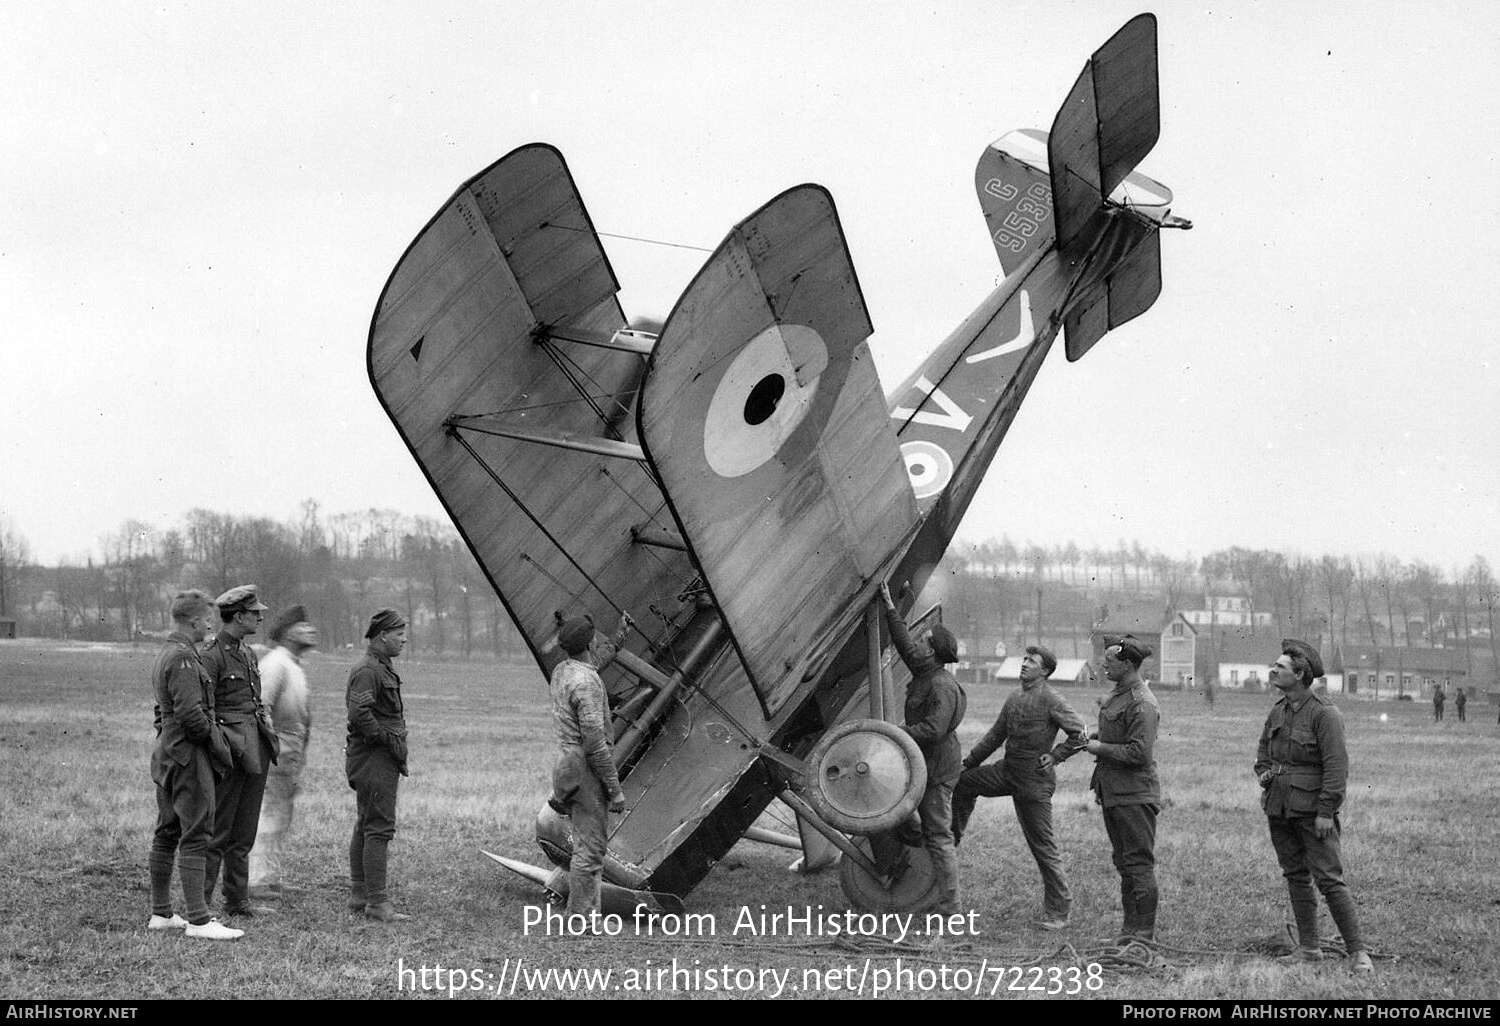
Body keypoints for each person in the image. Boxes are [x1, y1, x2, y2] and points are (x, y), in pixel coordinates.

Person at [1255, 639, 1373, 973]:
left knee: (1329, 880)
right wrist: (1264, 773)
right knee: (1295, 876)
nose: (1273, 670)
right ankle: (1309, 949)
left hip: (1312, 812)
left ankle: (1358, 953)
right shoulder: (1277, 710)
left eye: (1281, 667)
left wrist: (1325, 812)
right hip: (1279, 808)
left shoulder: (1326, 715)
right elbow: (1263, 752)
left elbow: (1337, 769)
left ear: (1300, 674)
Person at [951, 644, 1086, 929]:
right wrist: (969, 762)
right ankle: (952, 839)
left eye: (1032, 661)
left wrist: (1056, 755)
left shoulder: (1052, 699)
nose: (1024, 664)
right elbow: (995, 736)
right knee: (964, 782)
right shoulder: (1015, 697)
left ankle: (1059, 912)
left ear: (1045, 670)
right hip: (1007, 771)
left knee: (1043, 846)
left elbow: (1080, 734)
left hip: (1034, 781)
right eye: (1024, 659)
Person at [146, 590, 242, 941]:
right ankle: (199, 921)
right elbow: (191, 714)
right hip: (188, 755)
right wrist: (216, 744)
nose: (210, 624)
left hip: (169, 753)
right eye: (206, 619)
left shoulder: (168, 653)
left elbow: (163, 713)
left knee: (167, 830)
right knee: (196, 832)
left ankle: (161, 913)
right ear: (192, 621)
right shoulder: (185, 659)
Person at [879, 583, 966, 925]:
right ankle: (920, 874)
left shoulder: (941, 686)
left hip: (937, 771)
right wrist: (889, 607)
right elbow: (903, 644)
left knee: (939, 837)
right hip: (921, 766)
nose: (917, 643)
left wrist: (894, 733)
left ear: (931, 652)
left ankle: (950, 909)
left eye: (923, 640)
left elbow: (933, 730)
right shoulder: (925, 669)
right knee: (896, 818)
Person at [201, 585, 279, 917]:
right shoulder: (211, 655)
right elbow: (204, 708)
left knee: (244, 832)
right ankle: (201, 905)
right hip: (228, 753)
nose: (260, 617)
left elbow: (255, 703)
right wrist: (220, 748)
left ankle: (237, 900)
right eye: (254, 613)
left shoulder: (248, 654)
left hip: (255, 750)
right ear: (237, 615)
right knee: (218, 833)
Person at [549, 613, 630, 920]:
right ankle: (582, 919)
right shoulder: (588, 683)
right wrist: (615, 789)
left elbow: (593, 662)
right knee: (591, 849)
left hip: (565, 766)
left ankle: (582, 914)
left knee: (583, 843)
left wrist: (620, 636)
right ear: (590, 641)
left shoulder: (563, 671)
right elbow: (595, 746)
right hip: (585, 770)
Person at [1085, 634, 1161, 942]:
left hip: (1133, 795)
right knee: (1125, 864)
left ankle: (1143, 937)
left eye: (1109, 663)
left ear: (1128, 664)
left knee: (1138, 865)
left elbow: (1138, 753)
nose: (1103, 667)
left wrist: (1098, 747)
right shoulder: (1119, 695)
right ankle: (1129, 934)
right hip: (1115, 793)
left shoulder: (1142, 702)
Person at [346, 608, 412, 922]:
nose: (404, 639)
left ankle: (361, 892)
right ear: (383, 635)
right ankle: (377, 902)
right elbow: (359, 714)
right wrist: (385, 738)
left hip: (376, 756)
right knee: (378, 827)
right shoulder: (369, 669)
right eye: (399, 634)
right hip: (374, 757)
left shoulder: (380, 666)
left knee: (366, 821)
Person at [248, 604, 316, 901]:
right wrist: (272, 749)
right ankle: (257, 881)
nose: (309, 630)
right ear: (288, 633)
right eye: (302, 626)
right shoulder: (276, 664)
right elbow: (260, 707)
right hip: (276, 756)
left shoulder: (293, 665)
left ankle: (269, 878)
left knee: (280, 817)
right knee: (269, 817)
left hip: (289, 757)